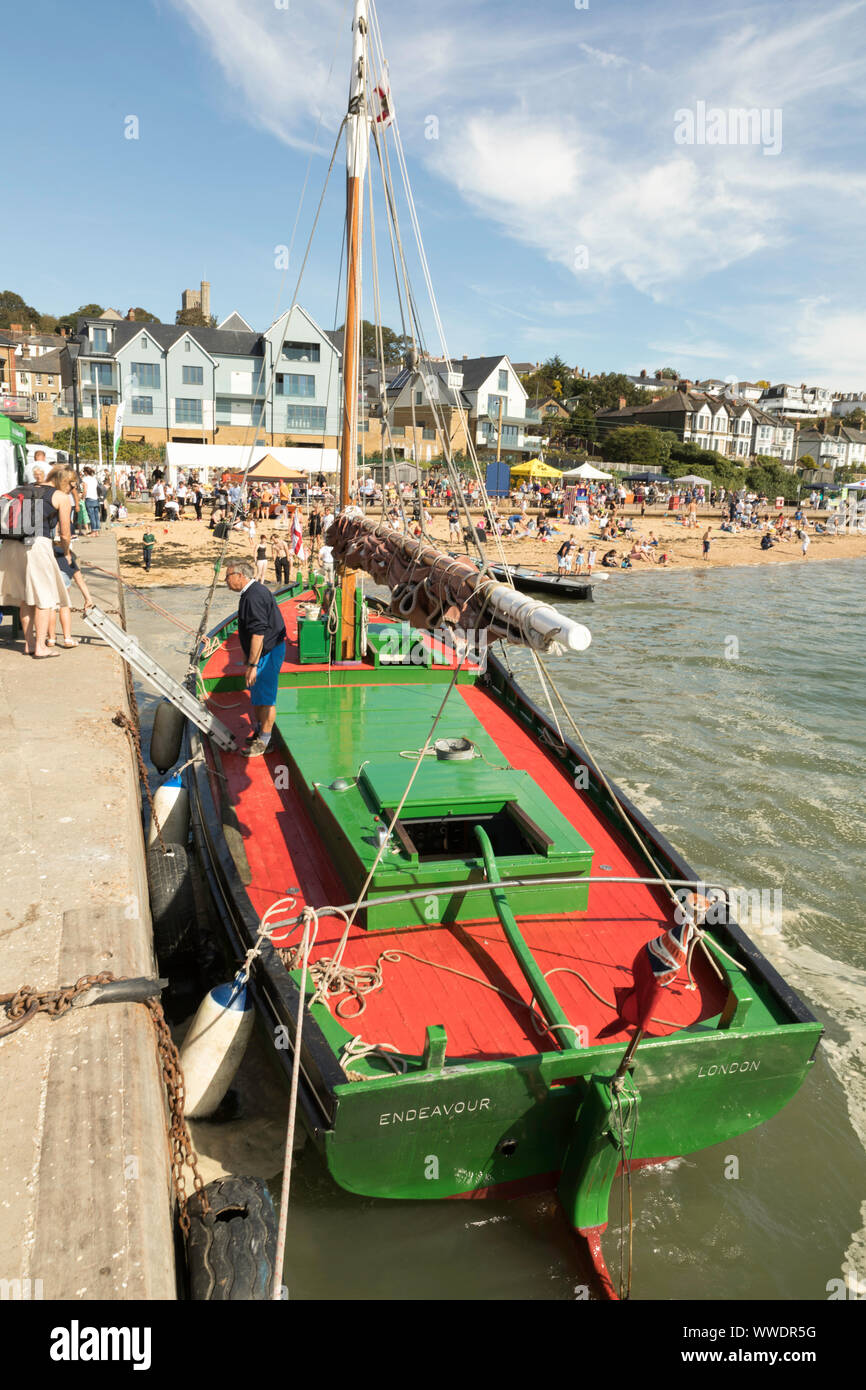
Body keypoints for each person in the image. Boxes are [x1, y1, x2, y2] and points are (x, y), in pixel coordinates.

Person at [0, 462, 73, 657]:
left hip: (10, 545)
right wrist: (65, 552)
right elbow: (65, 534)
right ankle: (41, 646)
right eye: (73, 485)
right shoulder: (60, 496)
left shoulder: (20, 489)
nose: (72, 489)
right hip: (36, 546)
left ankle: (30, 644)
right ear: (64, 481)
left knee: (26, 598)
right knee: (44, 597)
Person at [224, 559, 287, 757]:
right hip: (263, 652)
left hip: (268, 653)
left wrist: (252, 664)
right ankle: (261, 732)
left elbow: (258, 632)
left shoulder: (253, 596)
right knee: (258, 694)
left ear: (240, 576)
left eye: (228, 576)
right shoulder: (252, 593)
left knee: (266, 697)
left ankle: (266, 741)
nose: (226, 581)